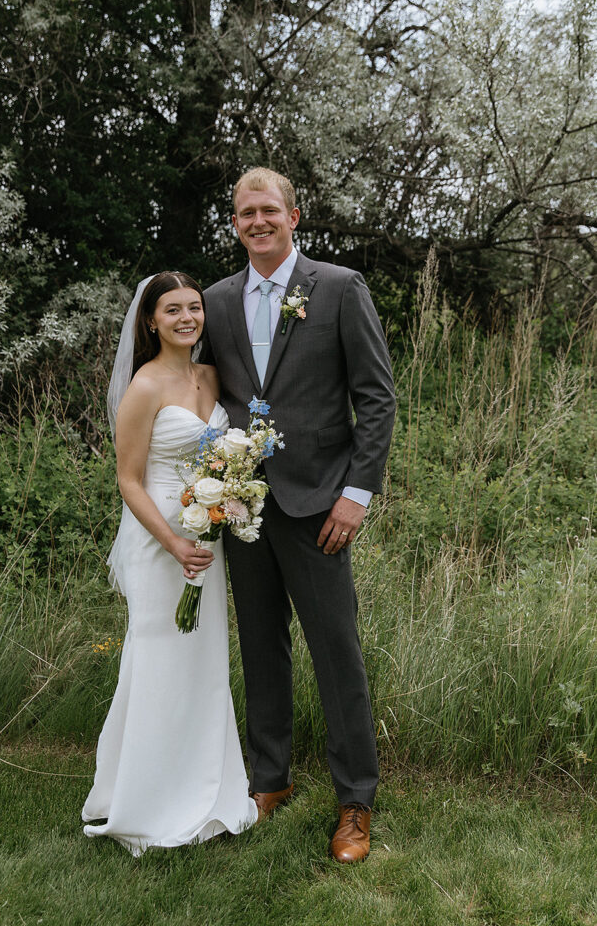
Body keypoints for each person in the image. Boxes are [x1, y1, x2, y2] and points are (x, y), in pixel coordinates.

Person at [200, 168, 395, 863]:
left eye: (268, 211)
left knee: (335, 651)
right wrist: (212, 481)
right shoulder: (217, 301)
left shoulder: (337, 288)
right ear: (234, 224)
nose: (257, 221)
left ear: (293, 216)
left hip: (320, 504)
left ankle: (354, 802)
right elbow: (211, 396)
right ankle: (269, 780)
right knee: (260, 644)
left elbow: (375, 399)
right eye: (245, 213)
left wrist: (356, 494)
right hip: (246, 506)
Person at [81, 271, 257, 855]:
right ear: (151, 321)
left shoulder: (212, 376)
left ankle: (209, 787)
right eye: (173, 309)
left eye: (195, 307)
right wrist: (174, 542)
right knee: (158, 656)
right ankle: (146, 799)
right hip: (161, 541)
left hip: (208, 534)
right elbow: (128, 480)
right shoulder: (145, 385)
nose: (187, 317)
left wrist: (227, 504)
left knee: (202, 660)